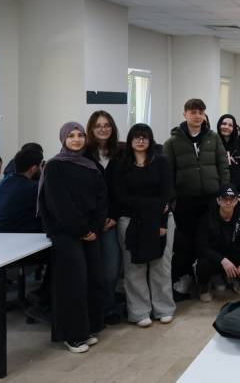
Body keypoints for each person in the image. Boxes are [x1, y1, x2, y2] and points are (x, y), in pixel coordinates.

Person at [38, 122, 106, 353]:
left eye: (80, 135)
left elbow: (101, 199)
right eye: (71, 136)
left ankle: (87, 329)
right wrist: (82, 230)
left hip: (90, 232)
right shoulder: (54, 166)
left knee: (93, 280)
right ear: (63, 139)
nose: (76, 139)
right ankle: (73, 335)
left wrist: (94, 228)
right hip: (66, 233)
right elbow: (59, 203)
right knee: (73, 284)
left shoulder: (91, 165)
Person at [163, 98, 229, 298]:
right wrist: (171, 198)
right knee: (186, 242)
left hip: (211, 198)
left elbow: (223, 166)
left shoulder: (213, 138)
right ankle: (185, 276)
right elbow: (167, 173)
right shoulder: (172, 142)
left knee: (211, 239)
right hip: (186, 200)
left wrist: (224, 191)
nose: (197, 116)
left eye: (201, 112)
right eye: (193, 112)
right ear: (185, 114)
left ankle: (211, 275)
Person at [112, 124, 175, 327]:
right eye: (137, 137)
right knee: (134, 267)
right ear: (130, 140)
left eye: (144, 137)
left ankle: (163, 308)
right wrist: (152, 204)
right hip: (131, 221)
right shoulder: (120, 165)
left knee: (161, 265)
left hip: (161, 219)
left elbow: (167, 193)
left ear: (150, 140)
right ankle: (139, 312)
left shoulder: (161, 161)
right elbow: (120, 196)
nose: (140, 141)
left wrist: (161, 220)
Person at [85, 110, 124, 326]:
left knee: (111, 268)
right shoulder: (83, 154)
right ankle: (95, 309)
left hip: (111, 220)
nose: (103, 129)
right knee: (92, 269)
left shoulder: (120, 153)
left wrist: (114, 215)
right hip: (90, 221)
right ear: (91, 129)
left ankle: (108, 307)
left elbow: (124, 188)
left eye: (107, 125)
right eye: (98, 125)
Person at [196, 185, 240, 301]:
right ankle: (205, 285)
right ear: (218, 200)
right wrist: (222, 260)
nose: (228, 202)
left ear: (237, 200)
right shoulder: (207, 219)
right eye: (225, 199)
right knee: (202, 263)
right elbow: (201, 247)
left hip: (234, 255)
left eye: (232, 199)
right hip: (215, 257)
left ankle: (238, 279)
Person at [0, 148, 43, 233]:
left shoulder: (4, 183)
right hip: (13, 236)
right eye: (41, 166)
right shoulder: (33, 187)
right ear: (34, 168)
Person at [217, 114, 240, 195]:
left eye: (230, 125)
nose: (226, 127)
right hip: (219, 191)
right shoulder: (214, 143)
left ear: (234, 128)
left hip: (239, 191)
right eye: (224, 124)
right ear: (219, 125)